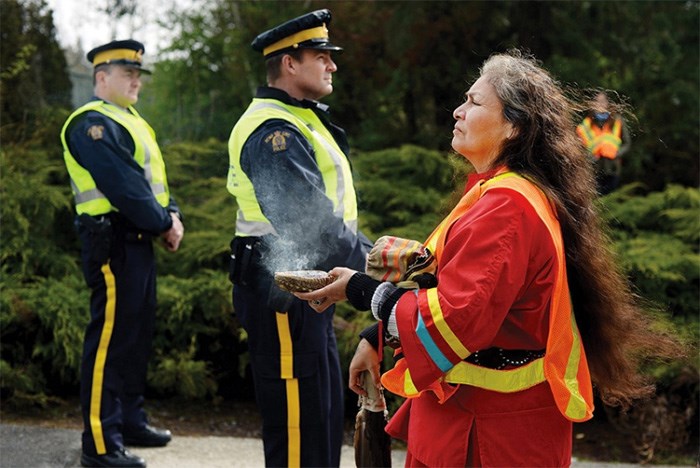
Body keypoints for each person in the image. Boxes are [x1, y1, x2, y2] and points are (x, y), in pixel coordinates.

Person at [297, 50, 679, 467]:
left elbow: (458, 317)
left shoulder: (506, 206)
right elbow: (458, 282)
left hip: (489, 434)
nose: (458, 111)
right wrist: (378, 335)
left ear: (514, 127)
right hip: (480, 420)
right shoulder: (501, 191)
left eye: (474, 102)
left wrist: (360, 289)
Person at [226, 9, 372, 468]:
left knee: (321, 418)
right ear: (290, 63)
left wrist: (373, 258)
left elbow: (327, 218)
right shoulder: (273, 131)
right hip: (283, 292)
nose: (332, 65)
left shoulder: (296, 119)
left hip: (303, 288)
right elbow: (311, 224)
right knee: (299, 432)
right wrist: (376, 268)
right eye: (322, 55)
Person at [60, 39, 185, 468]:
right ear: (101, 78)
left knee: (134, 339)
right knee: (110, 343)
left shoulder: (130, 121)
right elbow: (125, 187)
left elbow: (154, 184)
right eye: (127, 73)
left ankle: (129, 421)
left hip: (137, 243)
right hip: (112, 243)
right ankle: (100, 442)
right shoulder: (91, 123)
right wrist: (164, 222)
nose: (136, 80)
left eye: (138, 74)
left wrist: (172, 214)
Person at [576, 90, 631, 194]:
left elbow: (627, 143)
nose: (600, 104)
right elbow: (579, 149)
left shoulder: (617, 120)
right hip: (594, 169)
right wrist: (589, 158)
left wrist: (616, 154)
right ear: (592, 104)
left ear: (608, 103)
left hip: (613, 167)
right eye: (597, 101)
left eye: (603, 101)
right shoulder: (585, 126)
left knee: (612, 198)